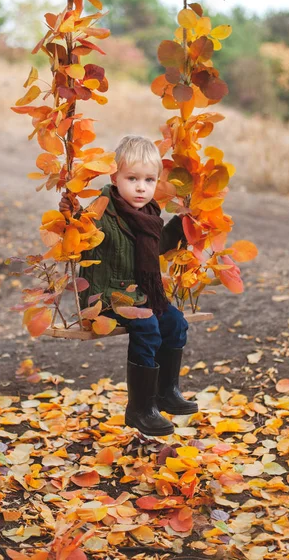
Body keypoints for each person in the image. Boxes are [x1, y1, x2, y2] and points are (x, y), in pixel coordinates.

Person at [59, 135, 198, 436]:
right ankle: (140, 408)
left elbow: (156, 247)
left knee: (175, 322)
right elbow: (79, 239)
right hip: (105, 298)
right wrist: (71, 215)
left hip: (139, 295)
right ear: (115, 177)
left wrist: (181, 224)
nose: (140, 187)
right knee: (147, 326)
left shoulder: (148, 215)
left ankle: (165, 392)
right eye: (132, 178)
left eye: (149, 180)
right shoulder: (101, 210)